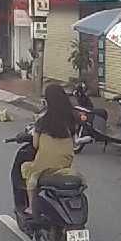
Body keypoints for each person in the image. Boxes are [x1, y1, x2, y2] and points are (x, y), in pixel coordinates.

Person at [21, 82, 78, 218]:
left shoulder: (43, 121)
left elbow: (35, 145)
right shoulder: (70, 119)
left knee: (30, 174)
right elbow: (74, 142)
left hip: (45, 167)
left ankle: (31, 207)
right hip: (65, 164)